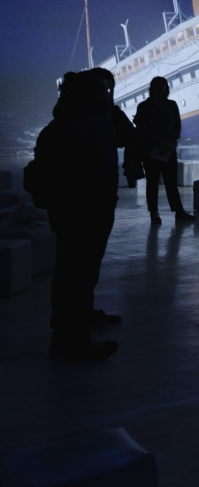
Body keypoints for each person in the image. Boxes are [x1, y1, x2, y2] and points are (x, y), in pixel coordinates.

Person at [31, 71, 120, 361]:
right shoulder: (94, 123)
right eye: (103, 90)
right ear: (91, 94)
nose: (107, 95)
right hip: (88, 209)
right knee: (79, 272)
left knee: (72, 270)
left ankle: (72, 327)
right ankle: (73, 340)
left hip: (70, 209)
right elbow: (124, 144)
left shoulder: (61, 124)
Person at [134, 76, 195, 226]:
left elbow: (177, 125)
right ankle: (154, 212)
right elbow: (142, 128)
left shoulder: (172, 105)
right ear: (151, 87)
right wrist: (159, 142)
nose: (161, 87)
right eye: (157, 84)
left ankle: (178, 211)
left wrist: (172, 141)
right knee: (152, 182)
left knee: (171, 182)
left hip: (168, 149)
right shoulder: (144, 106)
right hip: (151, 150)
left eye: (163, 84)